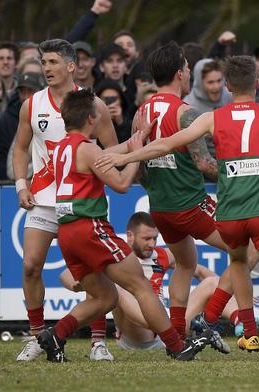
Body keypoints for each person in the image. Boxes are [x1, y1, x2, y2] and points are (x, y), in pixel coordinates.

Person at [96, 55, 259, 361]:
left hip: (226, 214)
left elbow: (166, 144)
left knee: (227, 264)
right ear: (257, 84)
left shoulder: (211, 118)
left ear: (226, 86)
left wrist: (124, 157)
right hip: (257, 212)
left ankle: (245, 333)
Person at [39, 89, 210, 362]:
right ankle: (177, 347)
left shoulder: (62, 147)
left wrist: (135, 141)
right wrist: (139, 154)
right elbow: (120, 185)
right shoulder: (87, 148)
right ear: (91, 119)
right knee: (141, 286)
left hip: (68, 232)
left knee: (104, 297)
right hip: (90, 227)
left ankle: (55, 335)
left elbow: (105, 155)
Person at [100, 42, 235, 343]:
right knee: (246, 253)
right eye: (187, 68)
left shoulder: (141, 112)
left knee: (186, 264)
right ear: (179, 74)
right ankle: (208, 320)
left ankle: (177, 333)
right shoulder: (186, 113)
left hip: (161, 208)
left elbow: (141, 161)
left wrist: (158, 189)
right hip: (190, 205)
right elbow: (204, 163)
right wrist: (237, 170)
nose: (189, 72)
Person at [12, 39, 119, 362]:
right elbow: (20, 148)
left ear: (72, 66)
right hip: (43, 199)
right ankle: (36, 336)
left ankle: (97, 342)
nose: (47, 68)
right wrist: (21, 184)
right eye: (44, 62)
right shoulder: (32, 105)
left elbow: (111, 149)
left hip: (84, 201)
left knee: (93, 272)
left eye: (54, 62)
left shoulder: (93, 106)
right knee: (31, 266)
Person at [59, 212, 259, 352]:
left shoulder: (161, 255)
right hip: (137, 333)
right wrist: (77, 284)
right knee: (112, 286)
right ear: (130, 236)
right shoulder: (116, 256)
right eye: (146, 239)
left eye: (154, 238)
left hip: (166, 323)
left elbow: (198, 270)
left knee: (212, 281)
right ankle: (98, 344)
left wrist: (230, 292)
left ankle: (240, 322)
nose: (152, 244)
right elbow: (66, 274)